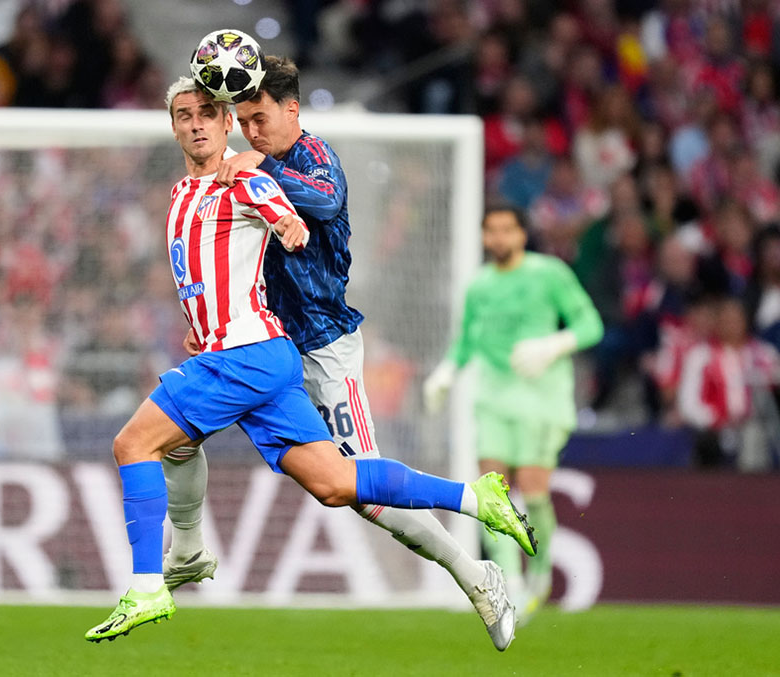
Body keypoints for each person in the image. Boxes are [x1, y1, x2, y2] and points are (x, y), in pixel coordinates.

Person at [84, 76, 536, 646]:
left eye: (256, 119)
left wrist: (263, 179)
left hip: (318, 347)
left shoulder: (300, 160)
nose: (251, 130)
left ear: (289, 109)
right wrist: (208, 322)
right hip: (264, 344)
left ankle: (474, 571)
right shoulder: (195, 189)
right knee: (323, 482)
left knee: (356, 497)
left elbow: (311, 207)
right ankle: (191, 549)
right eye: (239, 121)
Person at [423, 205, 603, 624]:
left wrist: (552, 346)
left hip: (542, 398)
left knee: (533, 489)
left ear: (522, 234)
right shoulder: (480, 286)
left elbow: (591, 324)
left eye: (508, 230)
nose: (500, 238)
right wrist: (446, 372)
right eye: (492, 231)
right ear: (485, 237)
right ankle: (511, 583)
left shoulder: (549, 274)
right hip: (494, 397)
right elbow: (466, 342)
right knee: (493, 491)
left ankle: (539, 571)